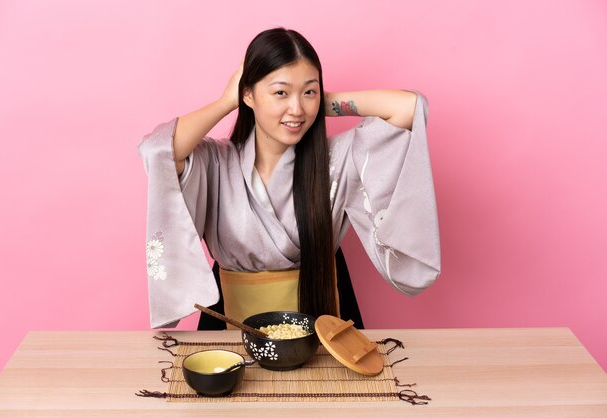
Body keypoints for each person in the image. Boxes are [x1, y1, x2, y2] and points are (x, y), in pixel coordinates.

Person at [137, 27, 441, 330]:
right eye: (280, 92)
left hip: (322, 318)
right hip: (232, 322)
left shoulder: (334, 159)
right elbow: (160, 150)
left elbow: (410, 108)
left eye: (309, 91)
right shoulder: (216, 161)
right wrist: (226, 102)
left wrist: (317, 103)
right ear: (248, 95)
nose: (296, 109)